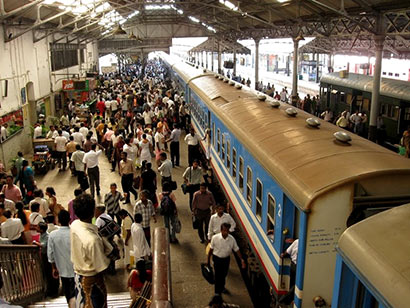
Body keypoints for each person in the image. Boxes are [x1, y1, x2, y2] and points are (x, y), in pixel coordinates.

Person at [71, 193, 111, 308]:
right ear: (93, 211)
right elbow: (102, 267)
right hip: (92, 280)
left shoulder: (74, 224)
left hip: (78, 275)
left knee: (82, 303)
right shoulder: (92, 240)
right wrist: (110, 255)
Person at [47, 210, 76, 308]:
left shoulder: (52, 235)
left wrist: (53, 267)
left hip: (62, 270)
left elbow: (50, 254)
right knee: (77, 291)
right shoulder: (74, 233)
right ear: (70, 219)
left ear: (58, 220)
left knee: (67, 290)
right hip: (77, 268)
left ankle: (70, 304)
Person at [207, 223, 246, 295]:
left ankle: (222, 287)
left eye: (227, 230)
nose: (226, 232)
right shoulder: (215, 238)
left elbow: (236, 249)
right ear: (221, 230)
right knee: (218, 276)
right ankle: (217, 292)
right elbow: (210, 250)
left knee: (224, 274)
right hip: (217, 259)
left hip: (226, 260)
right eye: (224, 230)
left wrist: (242, 260)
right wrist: (208, 261)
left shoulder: (231, 239)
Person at [279, 239, 299, 304]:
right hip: (298, 268)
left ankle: (286, 300)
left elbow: (286, 252)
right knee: (296, 285)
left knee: (292, 283)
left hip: (292, 266)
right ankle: (285, 300)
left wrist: (282, 255)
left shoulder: (296, 241)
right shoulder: (306, 245)